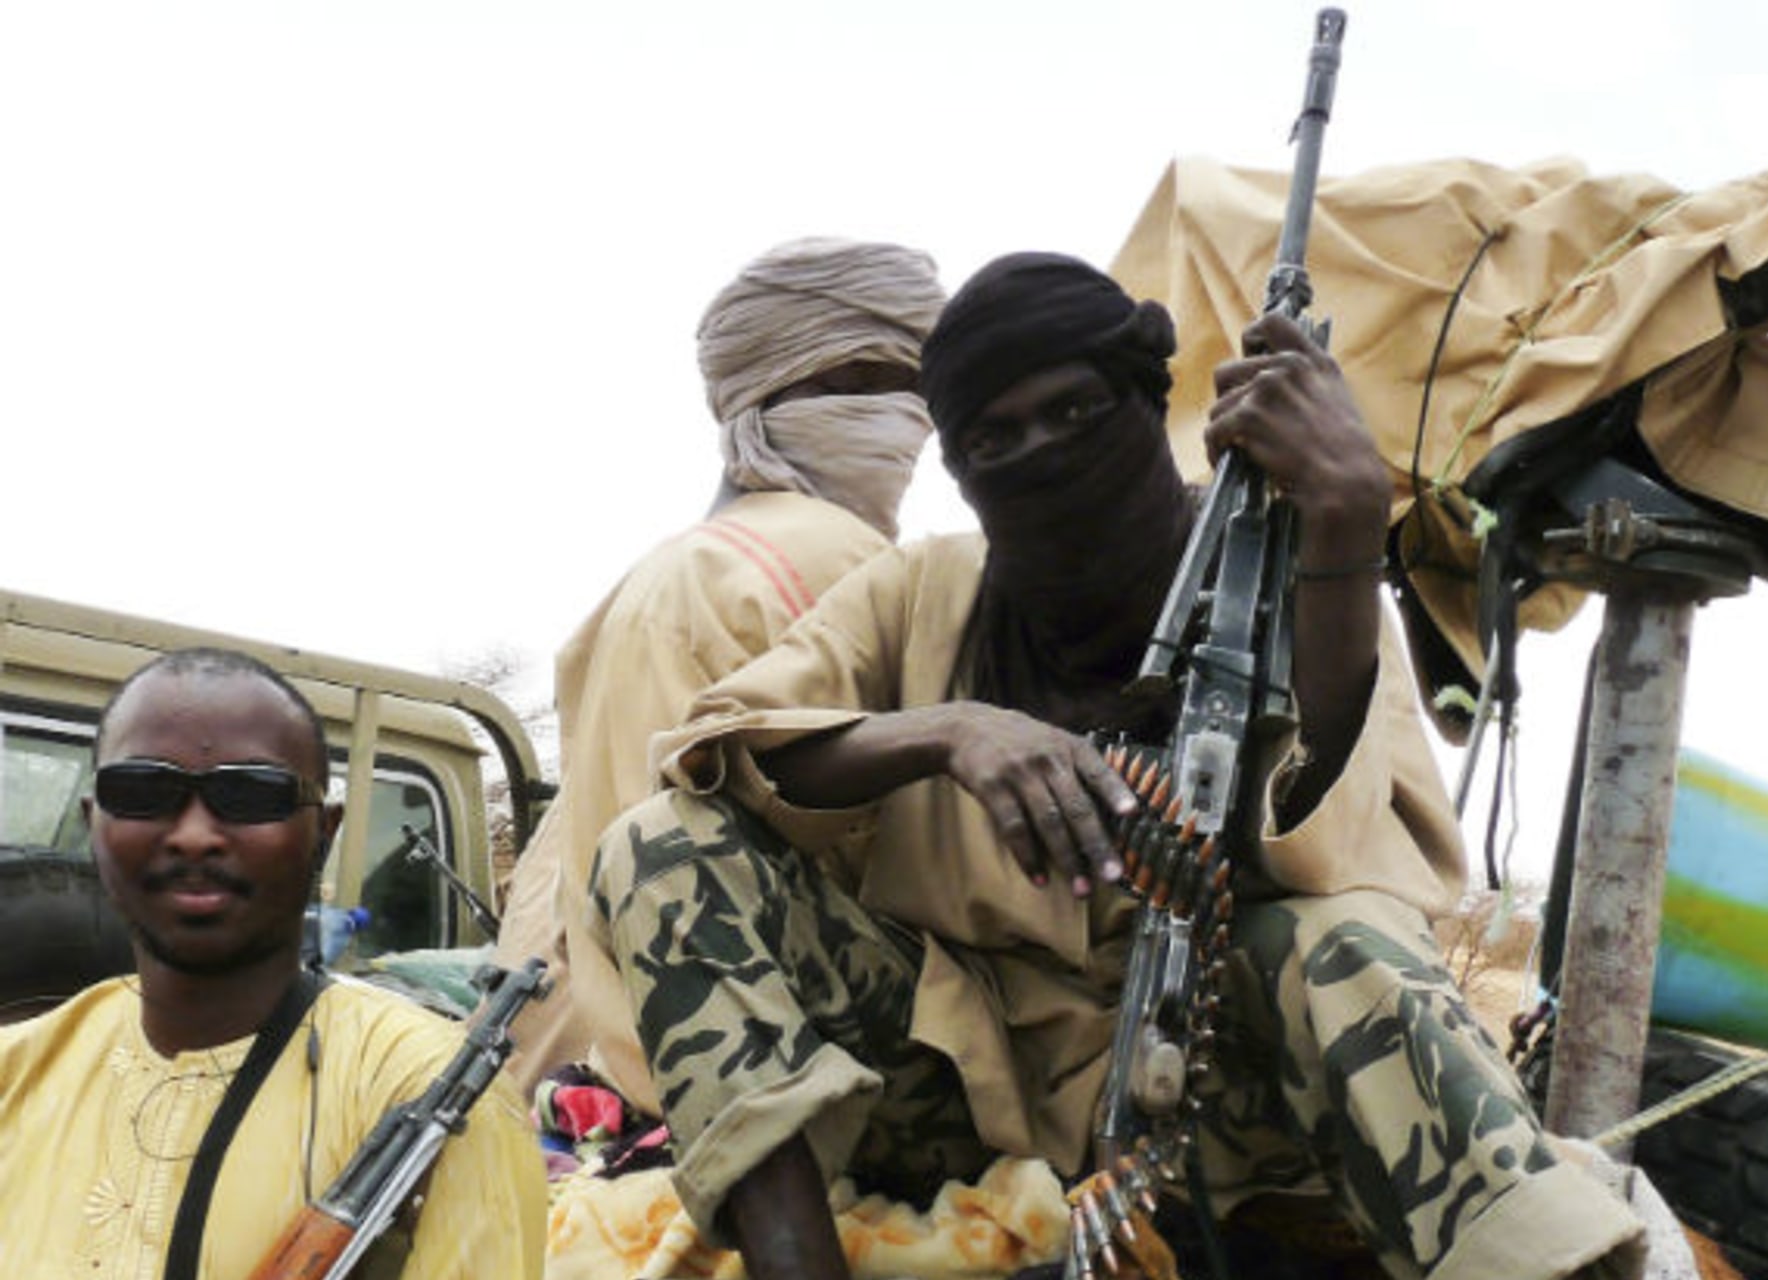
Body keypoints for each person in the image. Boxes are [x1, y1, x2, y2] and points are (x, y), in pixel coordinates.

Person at [581, 253, 1651, 1280]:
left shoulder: (1275, 576)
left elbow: (1345, 851)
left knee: (1339, 944)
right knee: (658, 845)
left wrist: (1345, 524)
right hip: (962, 1079)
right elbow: (722, 749)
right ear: (957, 466)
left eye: (1075, 413)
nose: (1042, 451)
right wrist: (952, 731)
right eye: (995, 438)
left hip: (1212, 1091)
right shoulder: (923, 591)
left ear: (1144, 403)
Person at [490, 235, 948, 1110]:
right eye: (887, 386)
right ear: (798, 388)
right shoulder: (849, 567)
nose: (913, 425)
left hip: (644, 1079)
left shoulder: (639, 588)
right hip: (810, 1086)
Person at [0, 647, 547, 1278]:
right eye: (143, 791)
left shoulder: (428, 1094)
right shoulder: (20, 1071)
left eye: (250, 794)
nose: (194, 834)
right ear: (93, 821)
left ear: (325, 832)